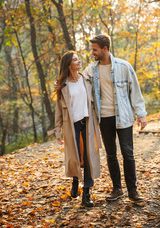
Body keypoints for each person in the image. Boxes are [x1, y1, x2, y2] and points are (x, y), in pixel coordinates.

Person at [83, 34, 147, 203]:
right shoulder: (91, 69)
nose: (92, 53)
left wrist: (141, 114)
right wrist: (61, 84)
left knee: (128, 153)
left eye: (95, 50)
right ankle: (117, 189)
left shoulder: (124, 66)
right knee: (111, 154)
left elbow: (135, 90)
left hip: (124, 117)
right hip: (104, 119)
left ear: (105, 49)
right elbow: (78, 82)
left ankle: (132, 191)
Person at [48, 51, 101, 207]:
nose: (79, 61)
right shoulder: (63, 85)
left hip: (88, 122)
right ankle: (75, 181)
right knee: (76, 157)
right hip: (71, 125)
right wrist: (57, 131)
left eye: (79, 59)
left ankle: (86, 193)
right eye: (75, 60)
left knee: (89, 157)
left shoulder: (86, 80)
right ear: (68, 64)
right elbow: (59, 110)